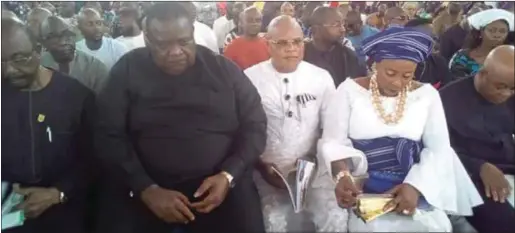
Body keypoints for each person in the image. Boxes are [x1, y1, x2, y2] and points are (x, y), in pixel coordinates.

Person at [94, 3, 267, 233]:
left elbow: (255, 125)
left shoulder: (224, 70)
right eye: (163, 45)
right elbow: (108, 133)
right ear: (147, 39)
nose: (175, 51)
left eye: (183, 42)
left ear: (193, 35)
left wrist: (229, 175)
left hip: (222, 185)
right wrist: (145, 188)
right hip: (148, 186)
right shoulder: (126, 71)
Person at [318, 27, 483, 232]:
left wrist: (414, 187)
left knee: (436, 227)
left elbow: (438, 148)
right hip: (364, 184)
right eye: (390, 73)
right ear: (374, 64)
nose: (398, 83)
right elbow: (333, 141)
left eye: (407, 75)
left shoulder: (427, 95)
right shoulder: (349, 91)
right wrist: (343, 176)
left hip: (416, 180)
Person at [245, 15, 346, 232]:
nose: (291, 48)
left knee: (334, 218)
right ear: (267, 44)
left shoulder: (321, 77)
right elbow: (242, 130)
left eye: (297, 42)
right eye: (282, 43)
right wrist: (260, 165)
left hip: (314, 168)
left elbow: (333, 127)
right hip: (267, 172)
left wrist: (312, 159)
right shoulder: (249, 78)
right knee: (273, 221)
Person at [1, 17, 94, 233]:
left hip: (64, 208)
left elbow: (96, 160)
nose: (9, 71)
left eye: (20, 59)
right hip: (8, 212)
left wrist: (58, 193)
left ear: (39, 50)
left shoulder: (76, 97)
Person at [441, 45, 515, 233]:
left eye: (512, 88)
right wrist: (479, 166)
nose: (507, 94)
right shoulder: (447, 100)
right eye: (501, 87)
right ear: (483, 74)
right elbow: (439, 151)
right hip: (470, 177)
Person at [39, 16, 109, 94]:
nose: (63, 42)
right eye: (54, 37)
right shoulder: (38, 67)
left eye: (67, 34)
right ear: (44, 43)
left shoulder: (96, 69)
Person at [304, 6, 366, 87]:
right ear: (316, 29)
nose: (343, 29)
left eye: (343, 24)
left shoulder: (348, 56)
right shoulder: (301, 55)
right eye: (336, 25)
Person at [449, 9, 514, 79]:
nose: (497, 35)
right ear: (481, 32)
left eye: (502, 31)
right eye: (492, 30)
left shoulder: (510, 59)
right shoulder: (462, 58)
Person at [405, 18, 453, 89]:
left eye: (433, 38)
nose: (433, 42)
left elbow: (448, 91)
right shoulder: (392, 64)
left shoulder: (439, 63)